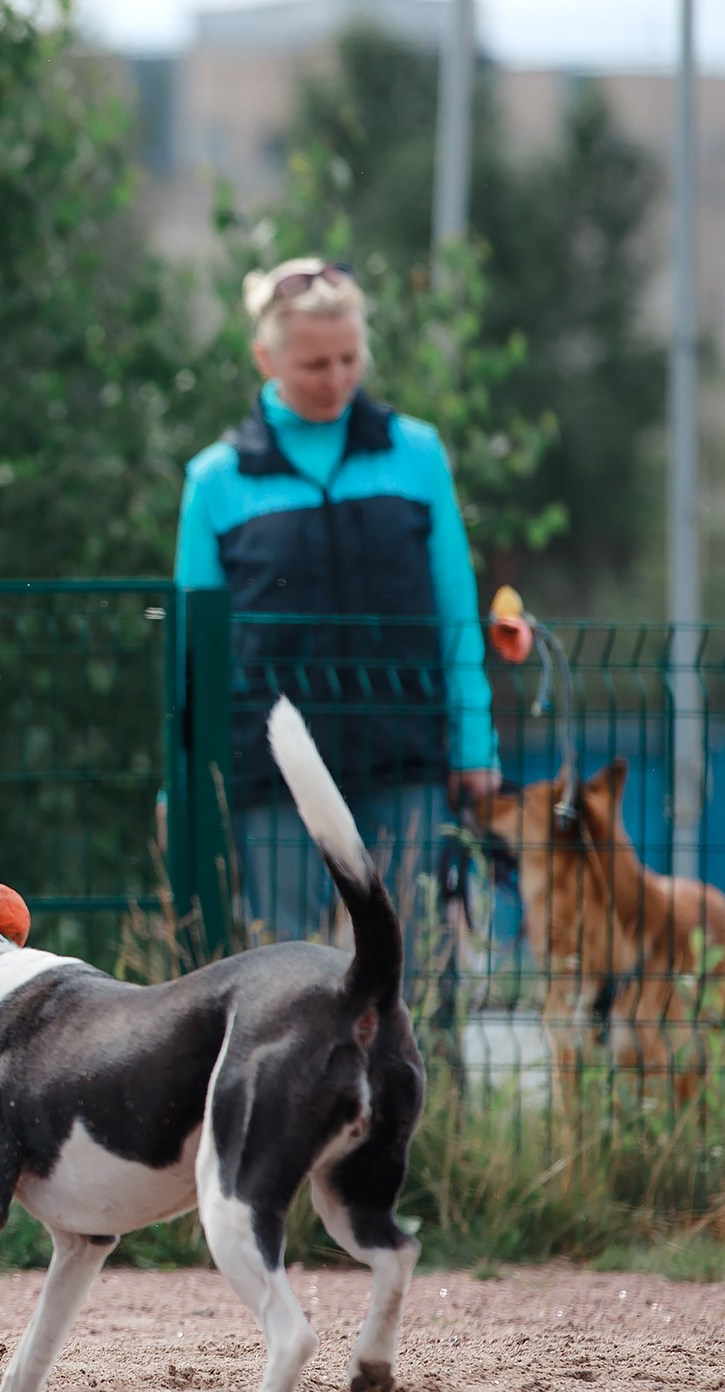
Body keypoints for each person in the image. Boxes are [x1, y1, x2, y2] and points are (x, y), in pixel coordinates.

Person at [173, 257, 499, 947]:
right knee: (288, 973)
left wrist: (474, 743)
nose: (337, 379)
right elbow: (192, 657)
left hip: (405, 754)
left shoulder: (417, 454)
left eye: (350, 358)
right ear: (266, 357)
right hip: (273, 773)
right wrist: (187, 781)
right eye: (316, 364)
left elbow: (455, 615)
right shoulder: (215, 481)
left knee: (414, 964)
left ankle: (426, 1063)